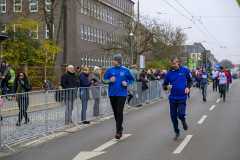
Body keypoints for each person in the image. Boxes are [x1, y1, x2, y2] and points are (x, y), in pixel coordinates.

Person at [102, 54, 135, 139]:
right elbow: (103, 80)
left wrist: (126, 83)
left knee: (119, 112)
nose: (113, 61)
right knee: (115, 112)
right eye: (112, 60)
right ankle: (120, 127)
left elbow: (133, 79)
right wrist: (110, 80)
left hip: (122, 94)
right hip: (112, 94)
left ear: (119, 61)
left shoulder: (125, 70)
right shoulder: (109, 70)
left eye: (114, 60)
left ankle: (118, 131)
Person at [163, 55, 192, 140]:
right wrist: (167, 87)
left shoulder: (184, 70)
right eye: (171, 64)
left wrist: (188, 87)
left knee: (181, 114)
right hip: (172, 97)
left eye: (174, 63)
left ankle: (183, 121)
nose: (172, 65)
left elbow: (190, 80)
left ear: (177, 61)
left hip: (182, 96)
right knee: (173, 116)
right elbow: (164, 84)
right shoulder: (169, 73)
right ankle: (177, 132)